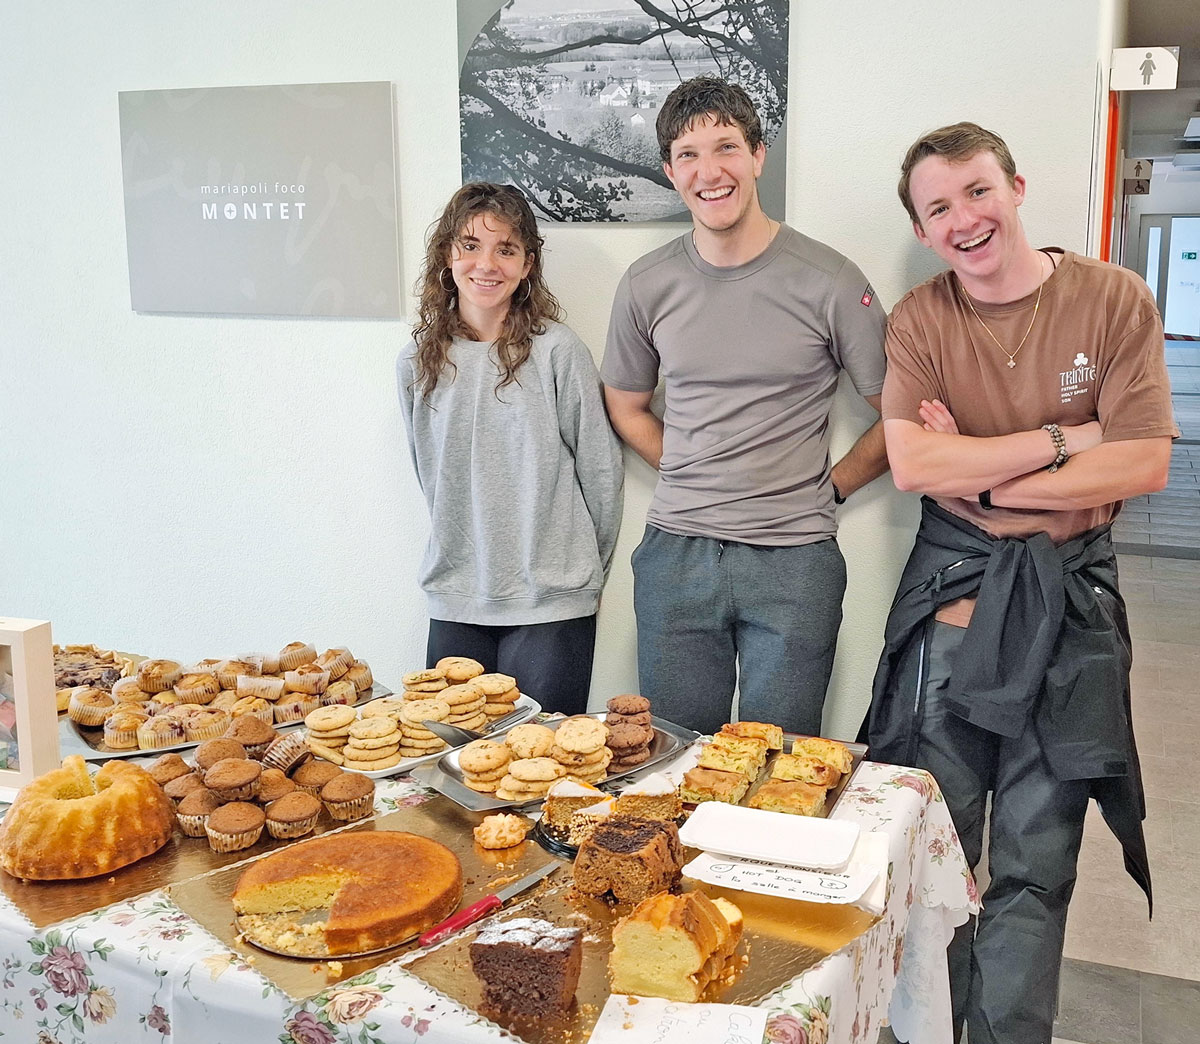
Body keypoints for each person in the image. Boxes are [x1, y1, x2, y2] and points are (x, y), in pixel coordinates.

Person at [865, 123, 1176, 1044]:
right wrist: (1066, 439)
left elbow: (1145, 462)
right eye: (939, 207)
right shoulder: (920, 318)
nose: (965, 219)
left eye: (978, 191)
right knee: (936, 850)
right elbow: (915, 464)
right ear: (921, 228)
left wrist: (985, 474)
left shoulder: (1112, 299)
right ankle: (929, 1030)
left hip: (1069, 613)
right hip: (951, 609)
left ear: (1017, 187)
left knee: (1038, 861)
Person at [601, 77, 888, 737]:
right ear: (671, 171)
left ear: (758, 156)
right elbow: (625, 403)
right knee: (673, 759)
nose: (710, 172)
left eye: (726, 147)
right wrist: (689, 468)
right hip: (677, 555)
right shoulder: (646, 283)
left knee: (784, 766)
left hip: (794, 560)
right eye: (689, 154)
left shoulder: (831, 279)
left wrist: (833, 486)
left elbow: (897, 413)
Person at [398, 183, 623, 715]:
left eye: (506, 249)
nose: (486, 264)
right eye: (470, 245)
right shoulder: (416, 362)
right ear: (446, 256)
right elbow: (428, 473)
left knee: (546, 758)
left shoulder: (557, 351)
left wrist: (579, 576)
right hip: (457, 594)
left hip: (551, 602)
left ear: (527, 265)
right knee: (455, 758)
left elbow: (602, 471)